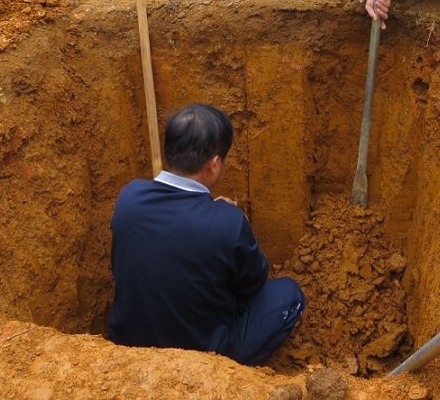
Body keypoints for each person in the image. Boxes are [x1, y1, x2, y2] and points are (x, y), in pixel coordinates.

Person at [108, 103, 305, 365]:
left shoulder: (129, 197)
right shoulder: (228, 222)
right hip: (200, 357)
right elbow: (253, 284)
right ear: (212, 165)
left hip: (131, 344)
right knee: (290, 295)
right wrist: (237, 223)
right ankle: (231, 368)